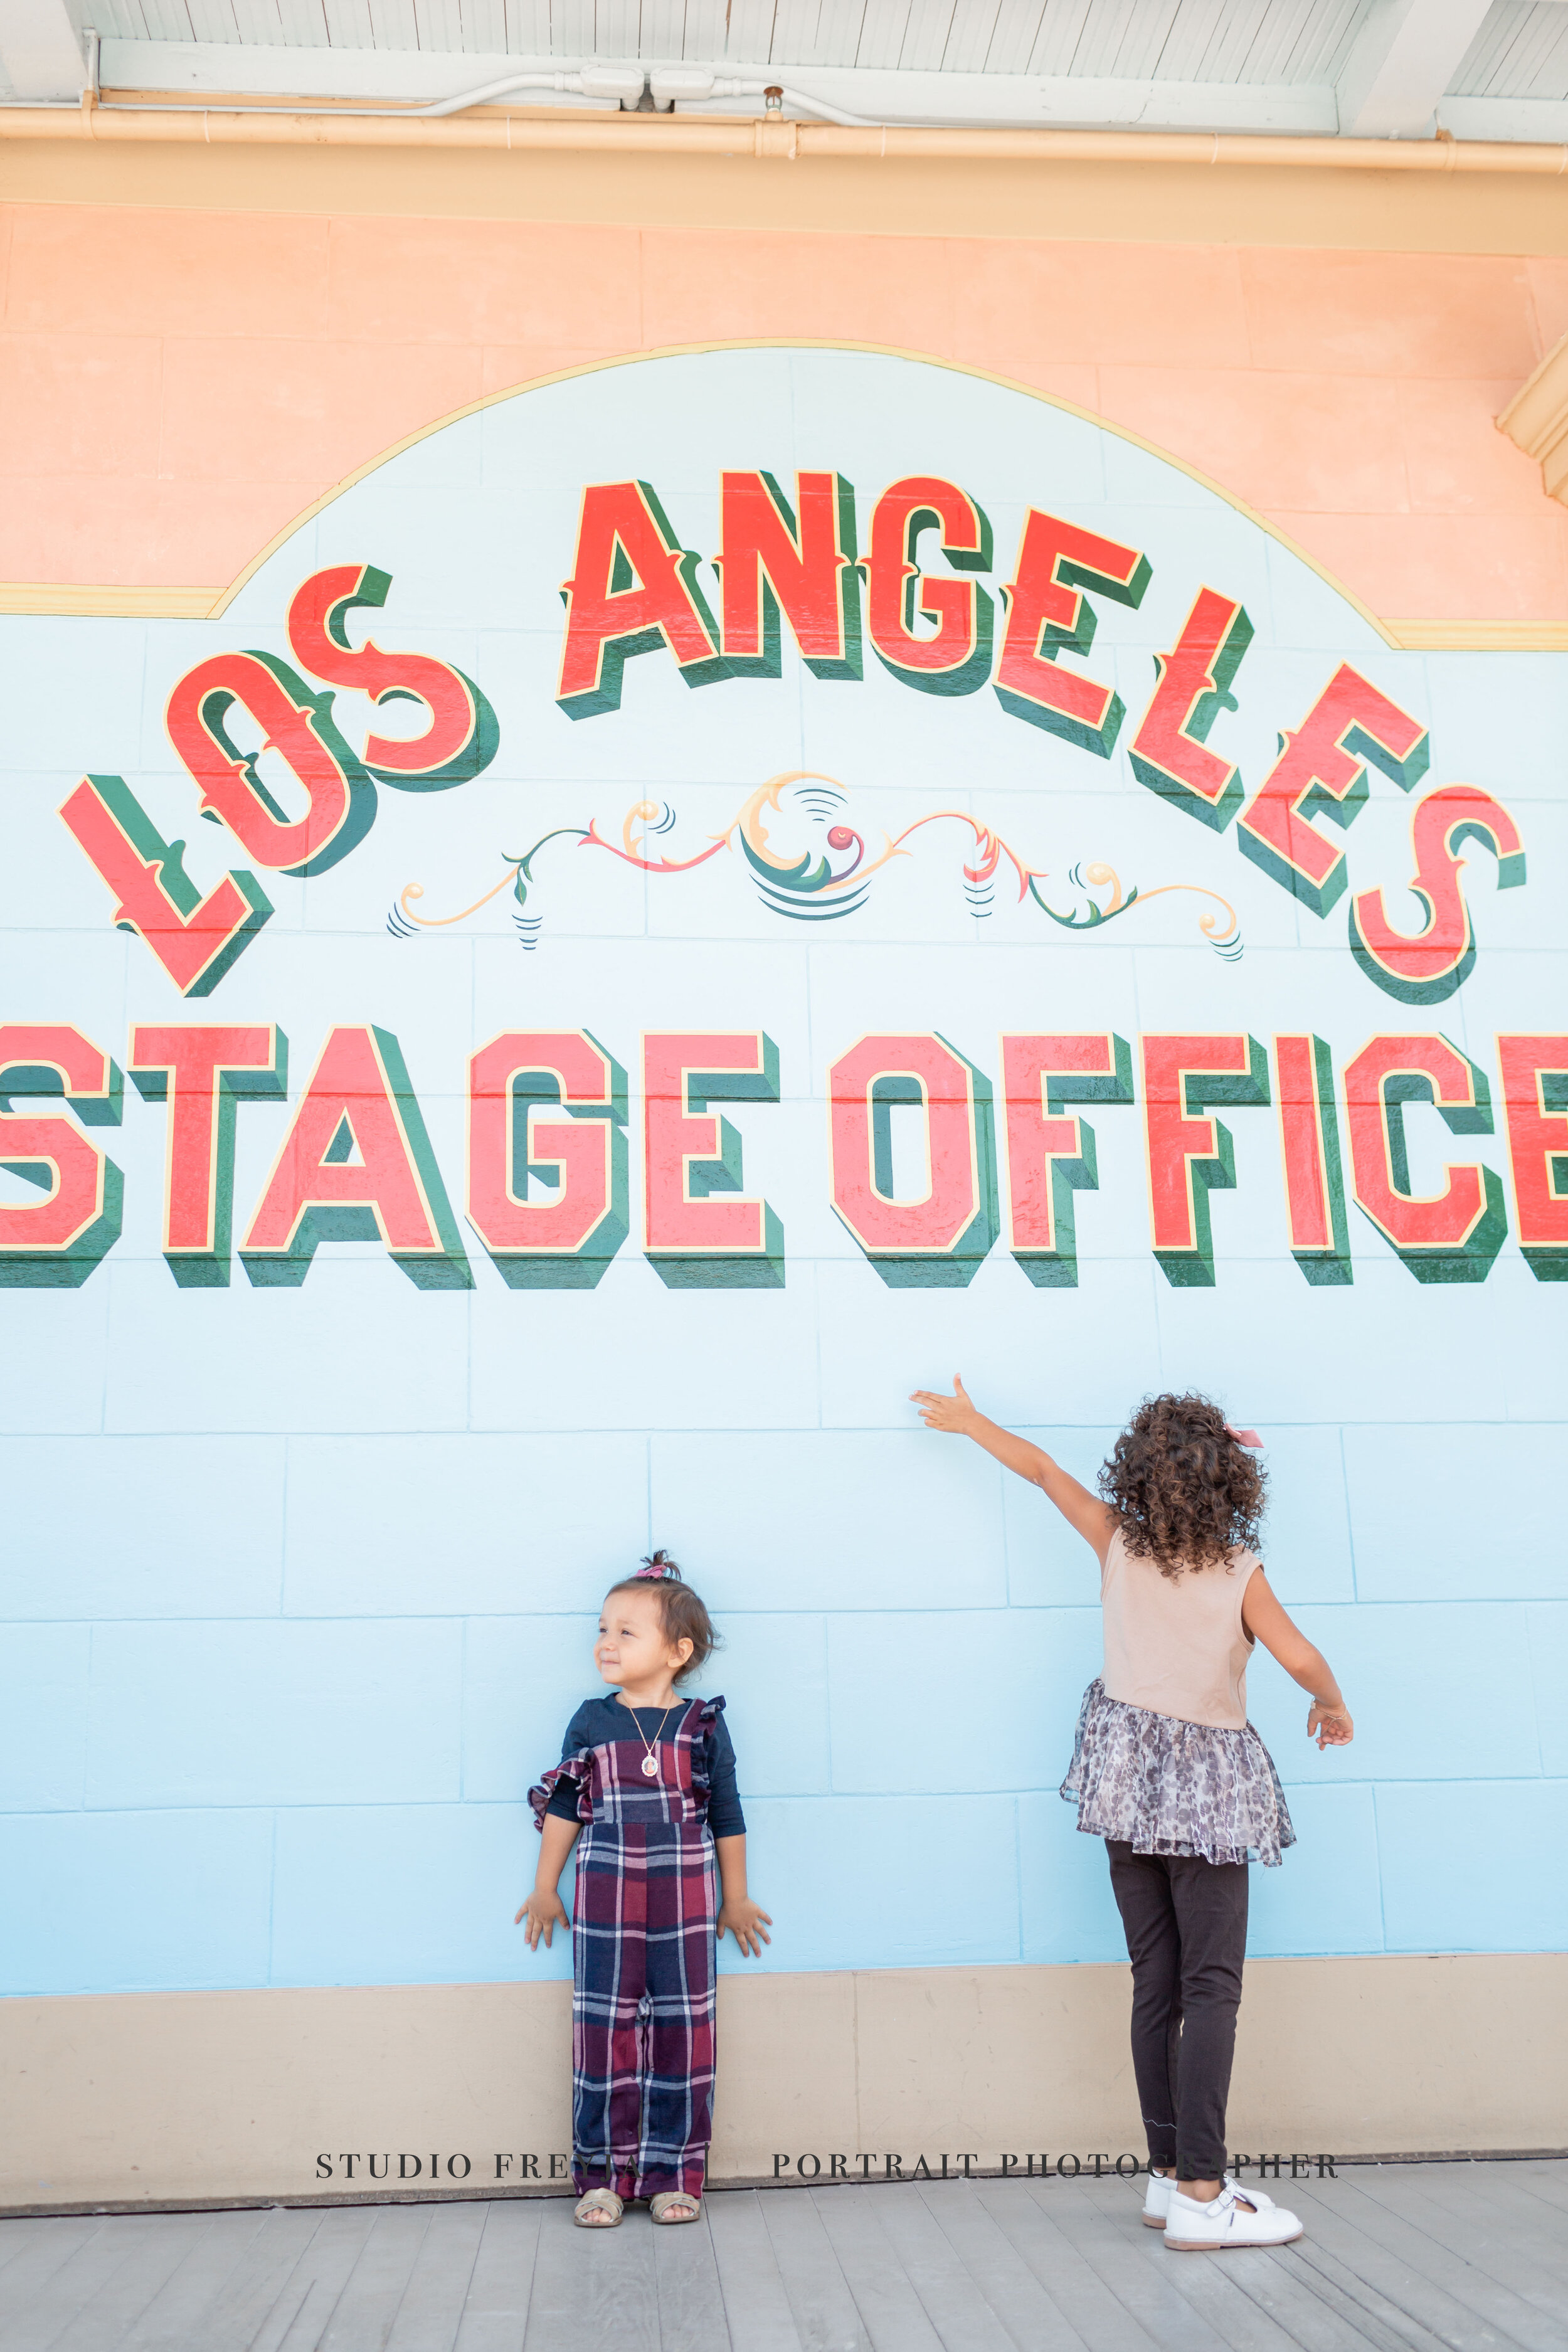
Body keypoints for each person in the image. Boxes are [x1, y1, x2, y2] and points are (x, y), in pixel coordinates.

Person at [911, 1379, 1353, 2253]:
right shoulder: (1239, 1571)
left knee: (1156, 1977)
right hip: (1210, 1796)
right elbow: (1300, 1654)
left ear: (1139, 1478)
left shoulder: (1117, 1542)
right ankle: (1203, 2189)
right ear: (1232, 1485)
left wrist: (971, 1422)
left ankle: (1164, 2176)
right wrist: (1332, 1703)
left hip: (1125, 1787)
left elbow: (1041, 1470)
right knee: (1211, 1985)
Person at [516, 1551, 771, 2228]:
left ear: (677, 1651)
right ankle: (601, 2175)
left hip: (686, 1898)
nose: (606, 1642)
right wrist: (546, 1887)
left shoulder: (703, 1727)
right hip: (605, 1892)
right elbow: (566, 1808)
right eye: (603, 1628)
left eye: (627, 1631)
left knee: (686, 2027)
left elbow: (727, 1815)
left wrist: (735, 1896)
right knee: (603, 2025)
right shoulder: (593, 1721)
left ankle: (672, 2172)